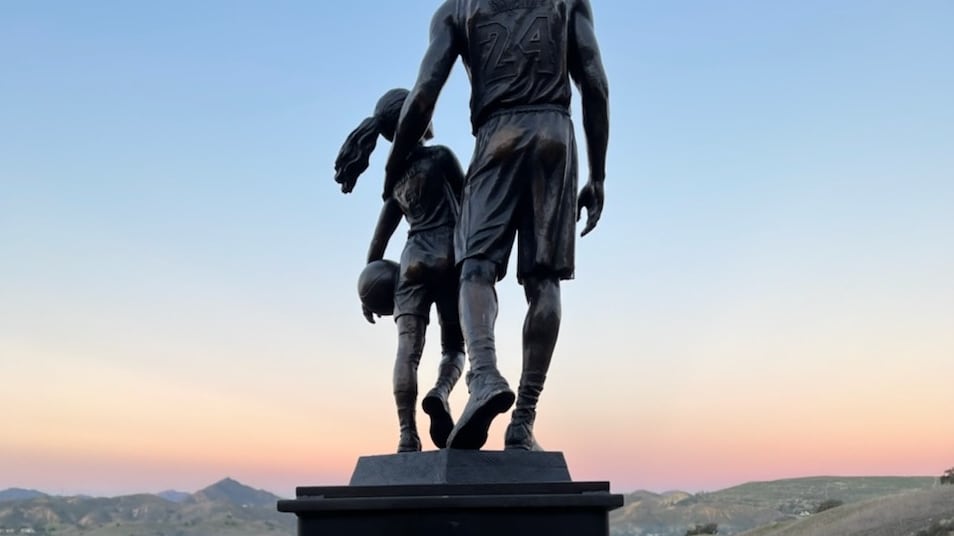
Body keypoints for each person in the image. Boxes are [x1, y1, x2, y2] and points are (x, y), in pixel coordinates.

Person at [384, 0, 609, 450]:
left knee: (475, 267)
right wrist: (598, 175)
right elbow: (595, 84)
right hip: (556, 134)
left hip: (497, 134)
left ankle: (483, 374)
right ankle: (522, 421)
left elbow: (424, 92)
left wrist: (393, 166)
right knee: (544, 280)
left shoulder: (455, 10)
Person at [334, 88, 468, 452]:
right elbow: (472, 204)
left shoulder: (395, 179)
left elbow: (379, 241)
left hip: (411, 262)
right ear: (419, 118)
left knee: (407, 351)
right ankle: (440, 392)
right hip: (450, 257)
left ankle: (407, 435)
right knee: (455, 346)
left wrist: (366, 290)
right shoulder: (441, 157)